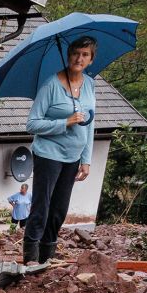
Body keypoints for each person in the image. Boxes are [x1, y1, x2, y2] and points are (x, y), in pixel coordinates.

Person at [22, 36, 97, 264]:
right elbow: (32, 124)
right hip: (48, 153)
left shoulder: (90, 84)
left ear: (91, 59)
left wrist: (87, 158)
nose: (79, 58)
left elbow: (91, 122)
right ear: (68, 55)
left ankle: (47, 256)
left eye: (85, 54)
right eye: (76, 53)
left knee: (59, 209)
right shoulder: (51, 85)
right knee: (42, 205)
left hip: (73, 156)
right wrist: (64, 122)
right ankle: (31, 256)